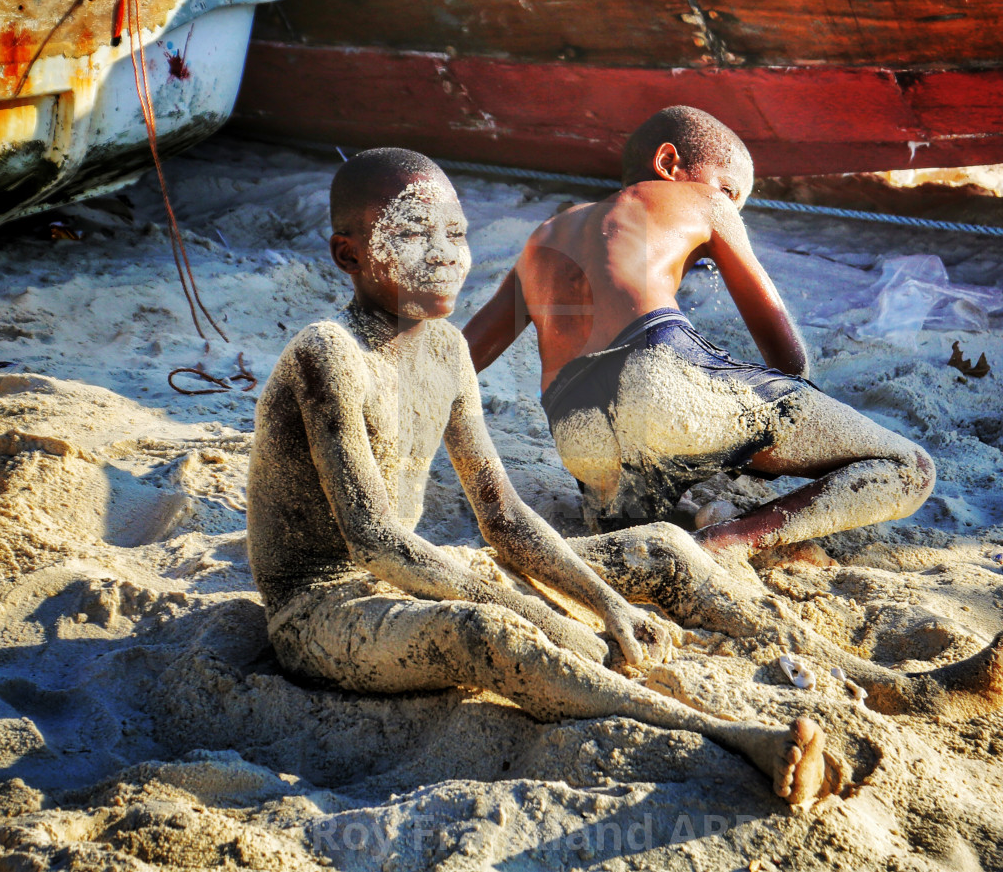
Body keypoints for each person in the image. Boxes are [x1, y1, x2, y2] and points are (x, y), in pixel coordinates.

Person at [246, 146, 845, 805]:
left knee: (662, 546)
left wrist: (606, 603)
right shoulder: (328, 354)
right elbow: (372, 540)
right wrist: (531, 608)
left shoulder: (445, 349)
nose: (442, 253)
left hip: (422, 570)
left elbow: (502, 516)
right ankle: (733, 736)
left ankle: (873, 678)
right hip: (325, 609)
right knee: (490, 634)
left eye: (454, 233)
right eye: (413, 235)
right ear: (348, 255)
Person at [463, 107, 1003, 718]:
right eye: (731, 191)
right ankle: (731, 542)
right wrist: (774, 453)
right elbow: (786, 355)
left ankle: (707, 539)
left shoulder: (544, 235)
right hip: (661, 373)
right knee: (907, 465)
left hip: (576, 429)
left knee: (664, 547)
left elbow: (464, 357)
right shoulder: (703, 202)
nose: (732, 204)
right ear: (670, 164)